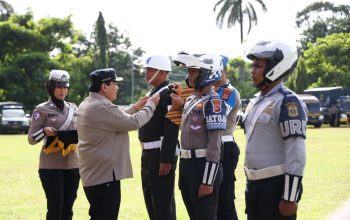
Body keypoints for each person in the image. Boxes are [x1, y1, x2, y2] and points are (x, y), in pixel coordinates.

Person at [76, 68, 160, 220]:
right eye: (115, 83)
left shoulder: (90, 103)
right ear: (104, 86)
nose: (118, 87)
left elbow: (115, 120)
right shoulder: (101, 107)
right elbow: (133, 122)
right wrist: (151, 105)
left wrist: (136, 107)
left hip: (96, 175)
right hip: (104, 176)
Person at [243, 40, 307, 220]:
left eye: (258, 66)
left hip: (276, 187)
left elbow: (297, 153)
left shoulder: (287, 102)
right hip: (254, 186)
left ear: (275, 67)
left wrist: (290, 197)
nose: (252, 70)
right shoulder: (257, 101)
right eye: (252, 65)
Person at [171, 52, 226, 220]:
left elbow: (215, 144)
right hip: (187, 165)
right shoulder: (191, 99)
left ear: (206, 73)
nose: (190, 76)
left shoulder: (214, 102)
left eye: (193, 71)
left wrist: (208, 180)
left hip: (203, 167)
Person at [27, 70, 80, 220]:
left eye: (65, 87)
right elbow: (31, 139)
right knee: (55, 209)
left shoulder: (74, 108)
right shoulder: (41, 109)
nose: (62, 91)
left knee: (68, 210)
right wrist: (44, 131)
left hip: (73, 165)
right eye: (58, 87)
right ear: (51, 87)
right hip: (51, 166)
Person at [138, 55, 179, 220]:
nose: (146, 73)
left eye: (150, 70)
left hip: (160, 154)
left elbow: (171, 127)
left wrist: (166, 160)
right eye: (146, 69)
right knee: (152, 203)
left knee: (163, 207)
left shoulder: (169, 93)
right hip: (148, 154)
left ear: (162, 72)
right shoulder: (153, 92)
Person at [213, 55, 241, 220]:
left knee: (225, 200)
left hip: (225, 146)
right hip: (215, 147)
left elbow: (217, 114)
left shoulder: (228, 91)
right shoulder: (215, 91)